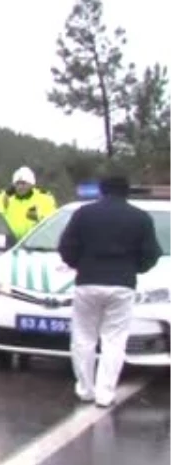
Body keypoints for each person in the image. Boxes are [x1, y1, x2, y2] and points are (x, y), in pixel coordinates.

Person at [57, 174, 161, 407]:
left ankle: (85, 389)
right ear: (127, 192)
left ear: (102, 191)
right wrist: (135, 268)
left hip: (88, 281)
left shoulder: (83, 214)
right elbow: (152, 254)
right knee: (114, 340)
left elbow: (66, 246)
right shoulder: (141, 218)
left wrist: (80, 264)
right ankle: (105, 394)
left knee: (84, 337)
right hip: (122, 283)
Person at [0, 166, 58, 240]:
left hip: (34, 241)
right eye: (17, 184)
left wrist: (38, 216)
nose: (20, 187)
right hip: (11, 242)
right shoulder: (5, 198)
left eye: (23, 183)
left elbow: (52, 219)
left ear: (31, 184)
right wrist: (6, 196)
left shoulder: (44, 197)